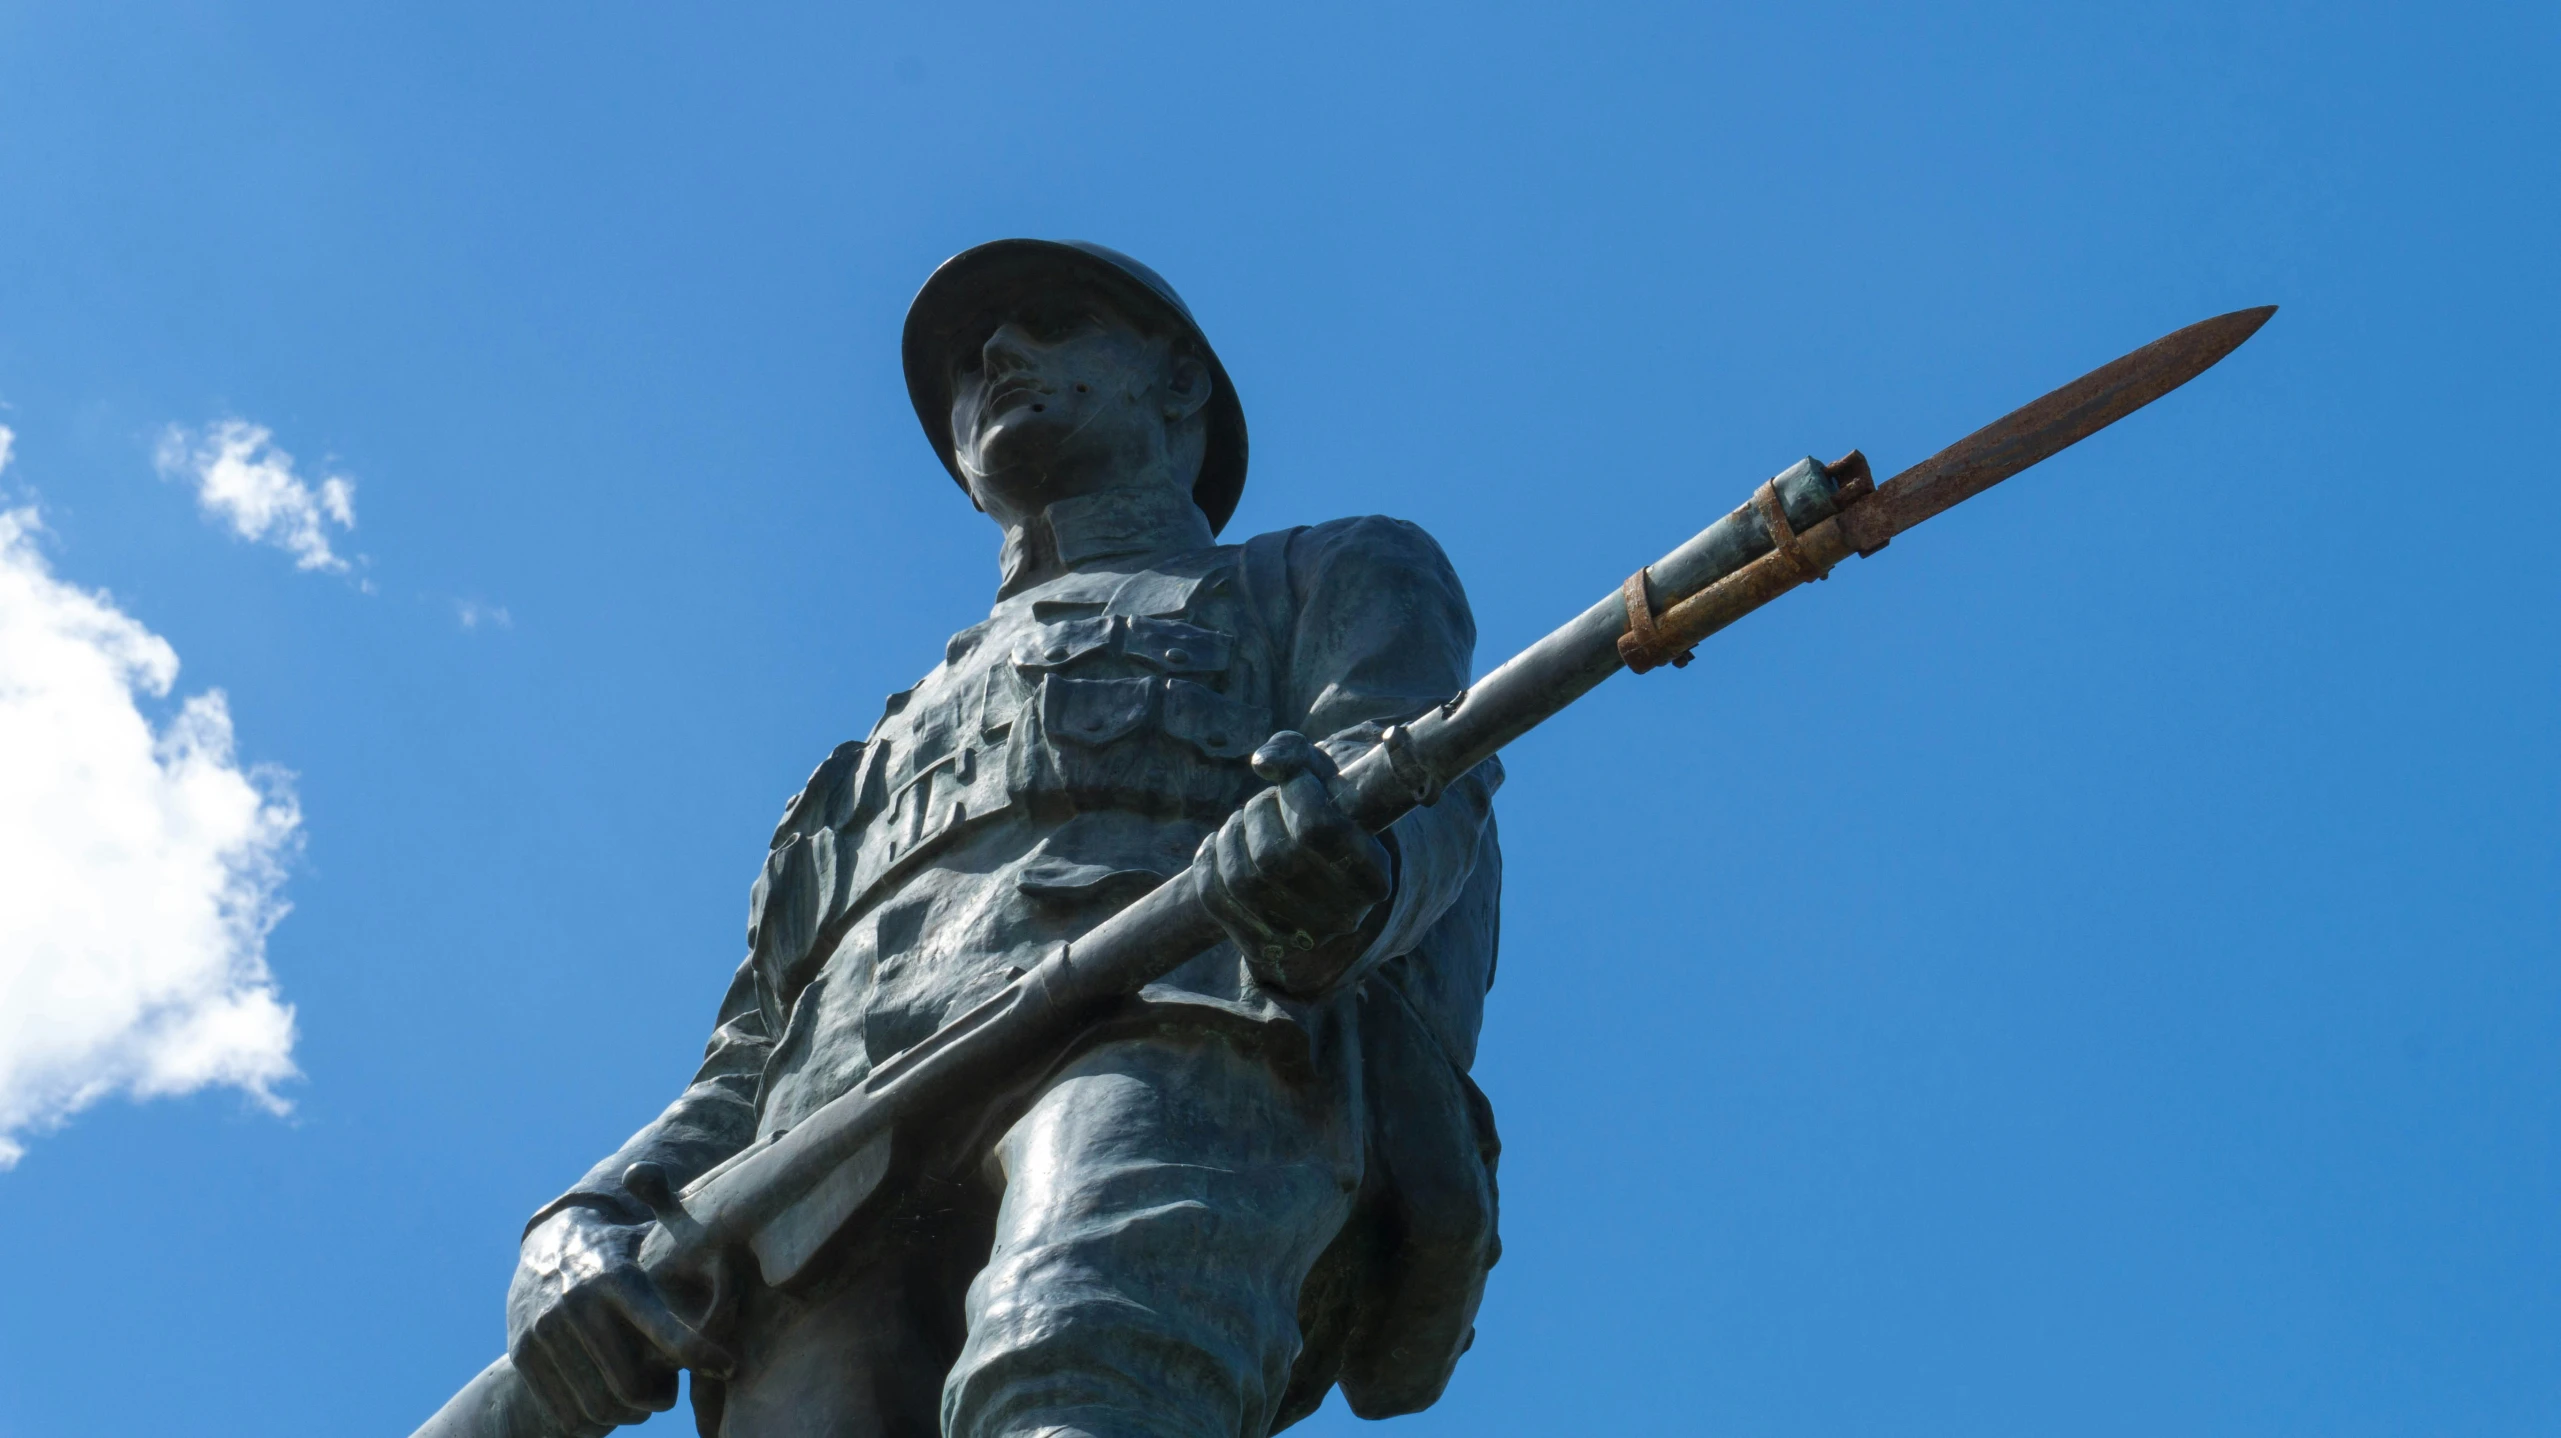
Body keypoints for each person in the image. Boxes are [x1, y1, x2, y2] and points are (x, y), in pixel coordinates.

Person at [503, 240, 1504, 1438]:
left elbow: (1409, 781)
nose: (995, 360)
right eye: (969, 369)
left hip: (1177, 1032)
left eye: (1050, 321)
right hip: (824, 1181)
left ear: (1178, 382)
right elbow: (745, 1065)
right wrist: (586, 1217)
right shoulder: (845, 779)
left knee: (1073, 1373)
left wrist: (1347, 875)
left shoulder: (1322, 575)